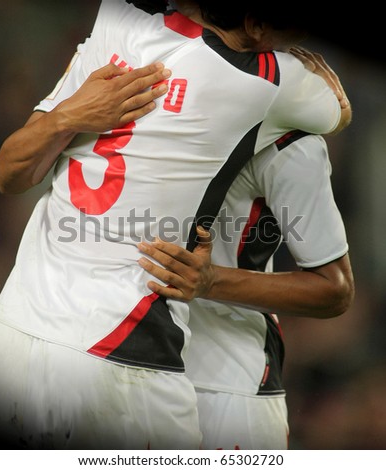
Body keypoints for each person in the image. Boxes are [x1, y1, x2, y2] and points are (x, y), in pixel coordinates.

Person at [0, 0, 351, 449]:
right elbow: (339, 111)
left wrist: (71, 115)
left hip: (16, 339)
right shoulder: (270, 82)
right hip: (125, 355)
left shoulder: (112, 23)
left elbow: (8, 175)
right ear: (256, 27)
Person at [137, 130, 355, 449]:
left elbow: (335, 288)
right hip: (131, 363)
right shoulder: (149, 112)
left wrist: (211, 280)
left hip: (227, 383)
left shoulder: (290, 145)